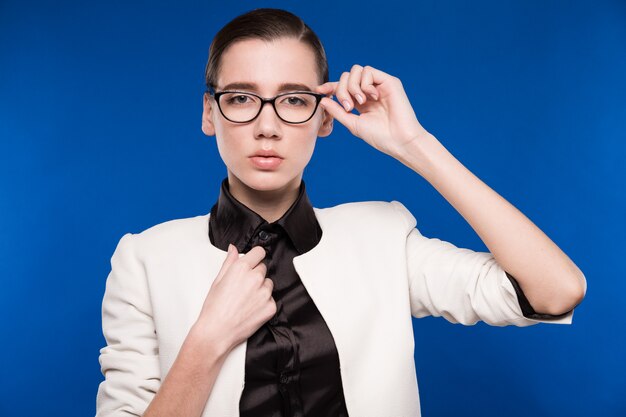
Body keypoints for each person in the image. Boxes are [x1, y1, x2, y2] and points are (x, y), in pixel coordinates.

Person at [95, 8, 586, 417]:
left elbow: (556, 291)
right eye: (241, 98)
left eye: (294, 100)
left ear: (324, 116)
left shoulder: (383, 238)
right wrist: (206, 341)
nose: (268, 126)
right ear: (210, 113)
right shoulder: (144, 260)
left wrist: (415, 146)